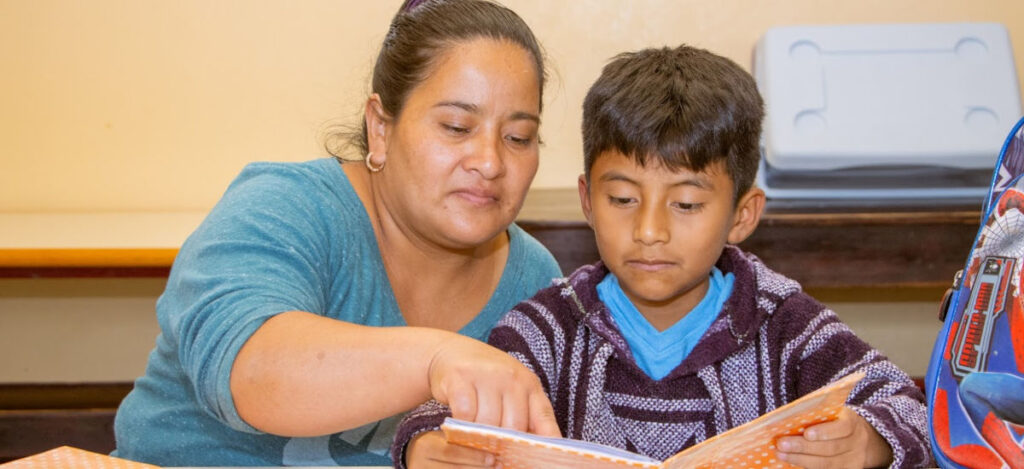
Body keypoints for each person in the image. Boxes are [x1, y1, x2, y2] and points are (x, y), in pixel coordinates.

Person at [392, 45, 935, 468]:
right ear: (587, 200)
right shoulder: (550, 327)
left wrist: (868, 441)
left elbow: (905, 403)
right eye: (623, 199)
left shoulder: (783, 323)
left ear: (742, 214)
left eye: (687, 203)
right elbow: (446, 410)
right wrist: (427, 444)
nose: (649, 230)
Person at [112, 0, 564, 465]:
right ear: (380, 128)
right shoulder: (284, 208)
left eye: (518, 138)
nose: (489, 161)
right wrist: (437, 359)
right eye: (456, 126)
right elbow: (252, 374)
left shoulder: (533, 279)